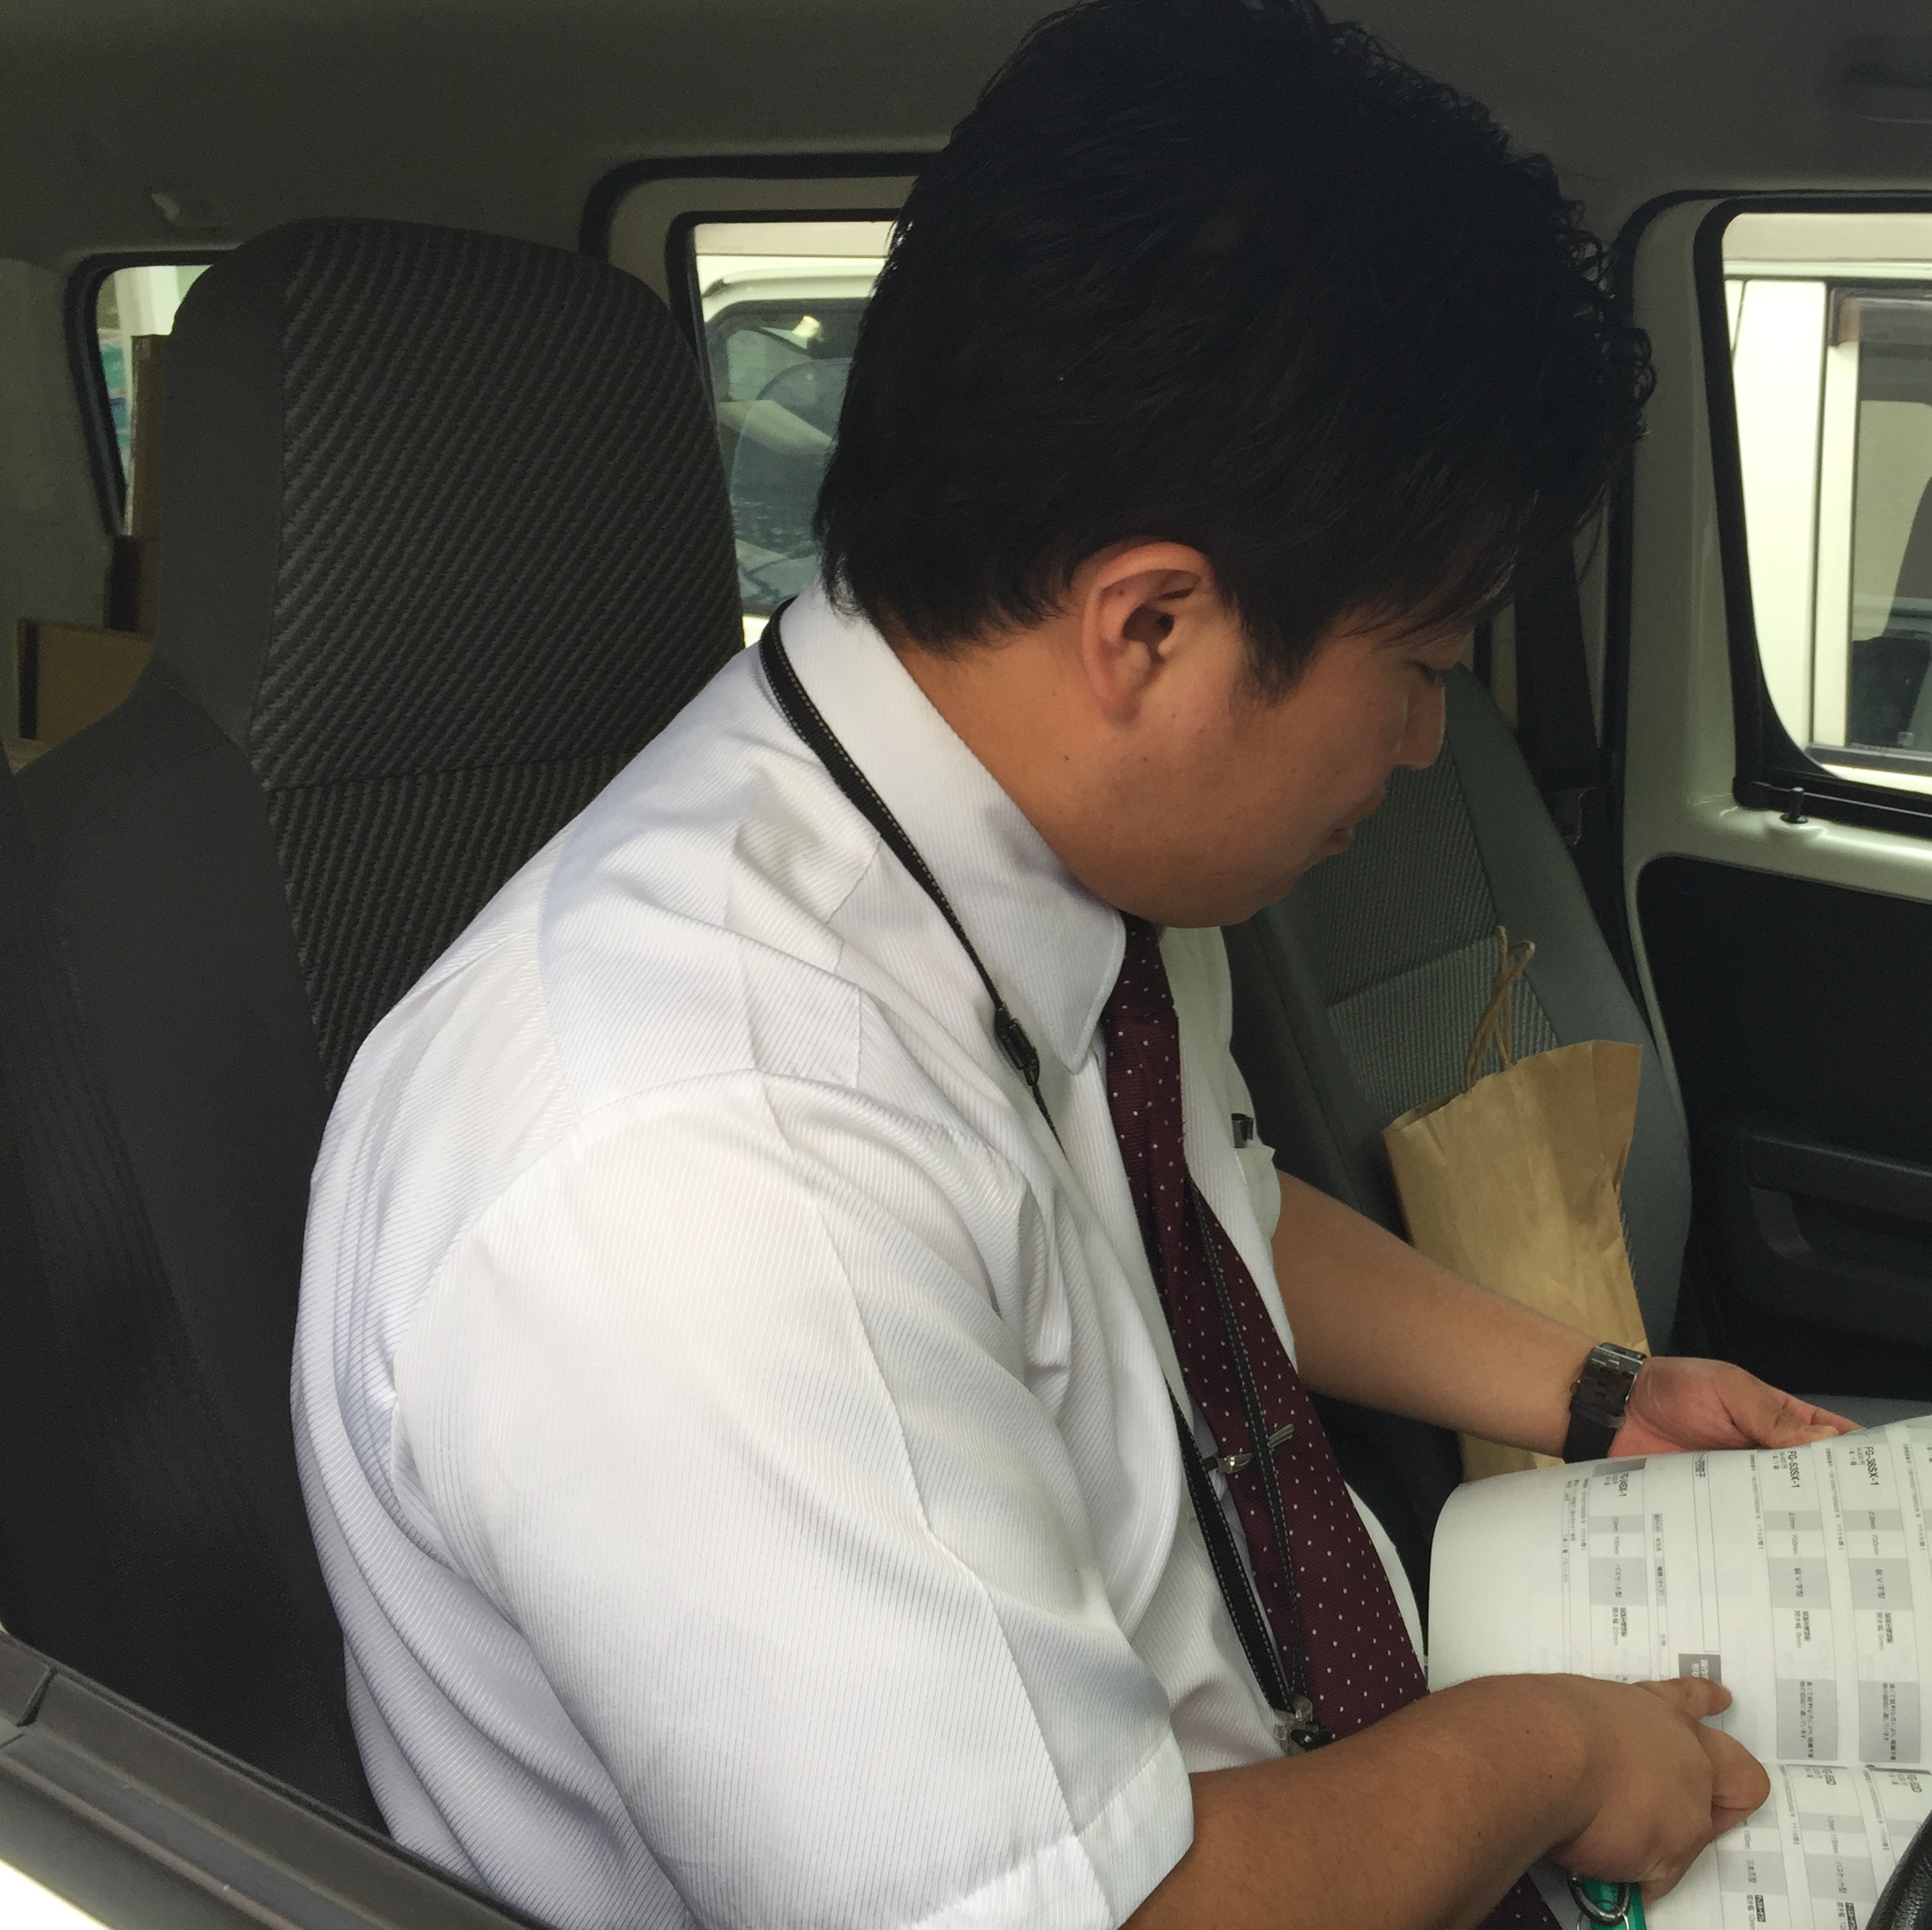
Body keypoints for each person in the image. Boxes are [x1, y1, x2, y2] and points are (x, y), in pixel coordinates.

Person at [292, 4, 1853, 1927]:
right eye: (1420, 668)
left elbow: (1195, 1214)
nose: (1425, 747)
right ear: (1151, 628)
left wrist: (1603, 1395)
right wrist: (1544, 1759)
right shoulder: (701, 1167)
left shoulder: (1040, 859)